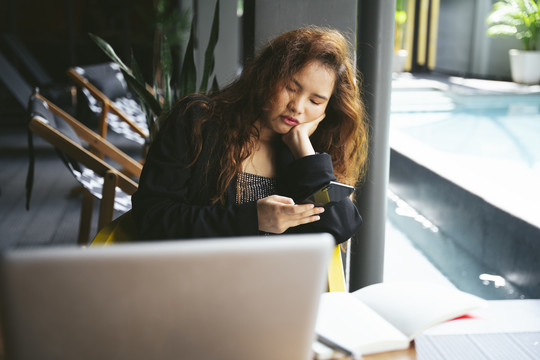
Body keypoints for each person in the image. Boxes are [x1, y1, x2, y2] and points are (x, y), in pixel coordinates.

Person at [131, 26, 369, 244]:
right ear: (266, 77)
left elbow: (341, 227)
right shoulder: (199, 121)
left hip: (275, 284)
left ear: (327, 110)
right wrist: (252, 219)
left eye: (315, 101)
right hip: (196, 280)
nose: (297, 107)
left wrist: (305, 153)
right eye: (290, 88)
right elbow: (151, 217)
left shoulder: (312, 150)